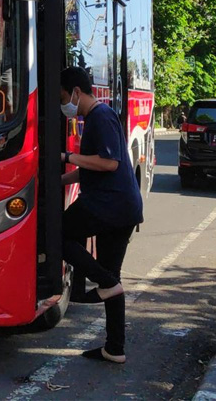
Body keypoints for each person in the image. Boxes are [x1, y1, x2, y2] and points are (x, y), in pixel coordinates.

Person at [58, 66, 144, 364]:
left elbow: (108, 163)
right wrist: (58, 179)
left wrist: (66, 157)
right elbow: (90, 168)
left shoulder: (100, 116)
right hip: (121, 208)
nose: (63, 104)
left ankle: (105, 284)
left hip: (111, 205)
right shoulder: (95, 117)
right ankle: (115, 349)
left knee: (57, 233)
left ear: (76, 92)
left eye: (63, 97)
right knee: (111, 280)